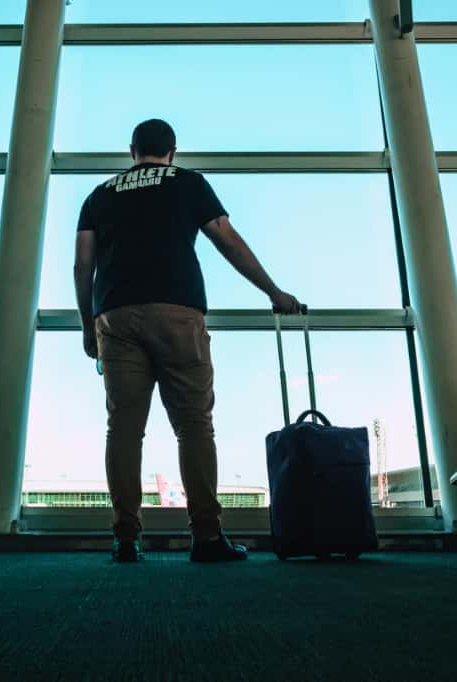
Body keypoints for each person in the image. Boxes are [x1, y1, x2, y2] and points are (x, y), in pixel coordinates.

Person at [73, 119, 302, 563]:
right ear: (172, 151)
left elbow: (83, 265)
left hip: (115, 316)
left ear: (132, 150)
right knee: (194, 425)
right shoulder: (189, 183)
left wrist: (88, 325)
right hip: (177, 311)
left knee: (123, 428)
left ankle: (124, 537)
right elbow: (227, 240)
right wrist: (273, 292)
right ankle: (206, 536)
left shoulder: (99, 194)